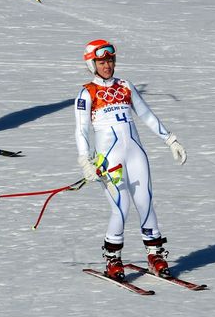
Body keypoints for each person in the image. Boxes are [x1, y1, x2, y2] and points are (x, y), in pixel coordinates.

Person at [74, 39, 187, 281]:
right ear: (92, 64)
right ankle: (113, 259)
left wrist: (170, 140)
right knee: (121, 206)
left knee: (145, 201)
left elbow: (146, 114)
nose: (107, 66)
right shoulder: (87, 92)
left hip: (136, 153)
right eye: (102, 62)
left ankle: (155, 254)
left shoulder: (125, 86)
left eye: (110, 61)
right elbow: (81, 130)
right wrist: (85, 161)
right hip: (108, 161)